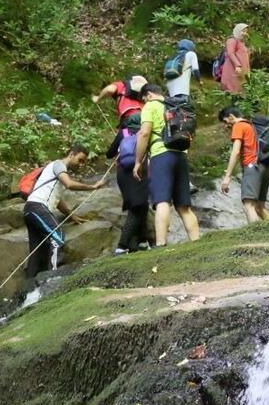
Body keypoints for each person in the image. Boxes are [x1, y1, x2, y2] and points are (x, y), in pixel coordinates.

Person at [23, 144, 105, 278]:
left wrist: (71, 215)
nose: (81, 164)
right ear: (71, 154)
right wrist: (93, 186)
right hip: (38, 207)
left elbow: (57, 200)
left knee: (37, 252)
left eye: (84, 162)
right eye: (80, 160)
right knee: (58, 237)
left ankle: (30, 288)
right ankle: (53, 277)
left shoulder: (54, 172)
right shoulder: (59, 165)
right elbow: (70, 184)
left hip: (30, 209)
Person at [133, 84, 200, 246]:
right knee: (184, 205)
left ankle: (161, 244)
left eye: (143, 99)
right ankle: (197, 242)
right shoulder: (177, 106)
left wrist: (138, 161)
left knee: (162, 201)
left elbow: (145, 133)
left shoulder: (151, 105)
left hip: (161, 155)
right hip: (181, 155)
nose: (143, 103)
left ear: (148, 95)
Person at [106, 113, 152, 254]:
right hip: (139, 171)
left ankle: (143, 241)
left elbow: (109, 153)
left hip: (123, 175)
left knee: (141, 206)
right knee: (137, 208)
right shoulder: (145, 132)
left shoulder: (123, 132)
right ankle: (122, 246)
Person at [218, 106, 269, 223]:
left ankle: (256, 237)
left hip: (252, 167)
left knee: (249, 205)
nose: (226, 125)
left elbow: (236, 151)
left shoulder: (239, 126)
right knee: (260, 207)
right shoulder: (251, 126)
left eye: (225, 121)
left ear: (231, 116)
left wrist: (227, 176)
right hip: (264, 167)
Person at [220, 23, 251, 95]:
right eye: (243, 31)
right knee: (233, 88)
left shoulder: (241, 42)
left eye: (246, 32)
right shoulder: (232, 40)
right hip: (233, 69)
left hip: (242, 71)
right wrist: (237, 65)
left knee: (241, 88)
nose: (244, 33)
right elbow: (230, 53)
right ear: (237, 30)